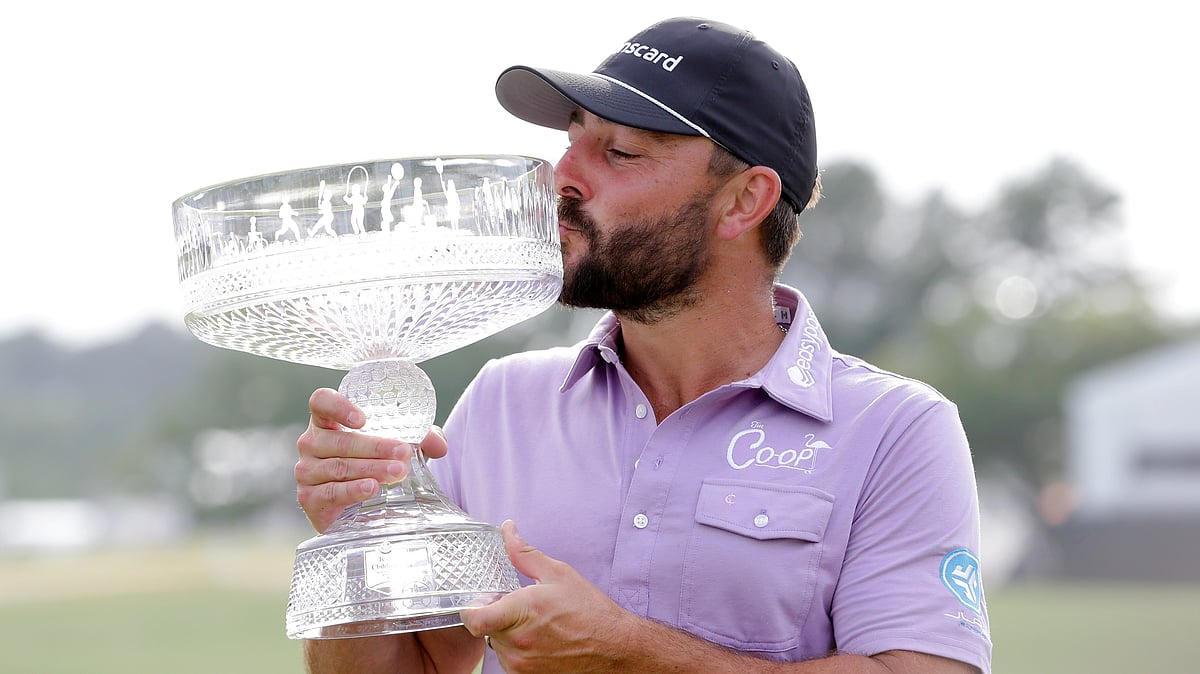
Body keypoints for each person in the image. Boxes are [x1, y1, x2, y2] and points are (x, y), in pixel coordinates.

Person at [294, 16, 992, 674]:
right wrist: (356, 540)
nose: (562, 174)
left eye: (619, 151)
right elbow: (417, 664)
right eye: (573, 136)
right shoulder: (502, 401)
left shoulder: (896, 431)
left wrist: (629, 652)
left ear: (744, 201)